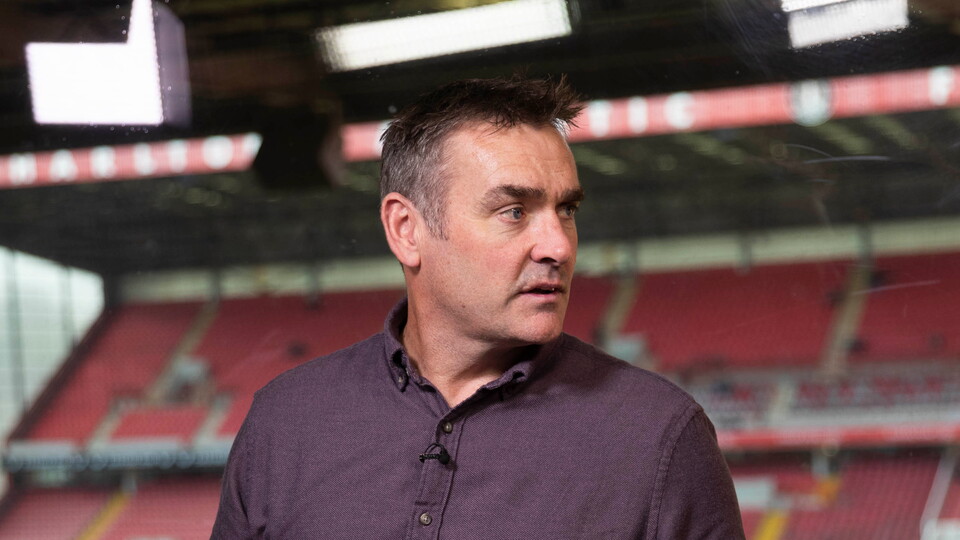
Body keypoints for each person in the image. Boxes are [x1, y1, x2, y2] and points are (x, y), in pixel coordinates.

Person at [211, 76, 745, 539]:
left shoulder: (661, 437)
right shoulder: (284, 421)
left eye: (566, 210)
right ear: (407, 230)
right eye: (514, 211)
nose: (557, 246)